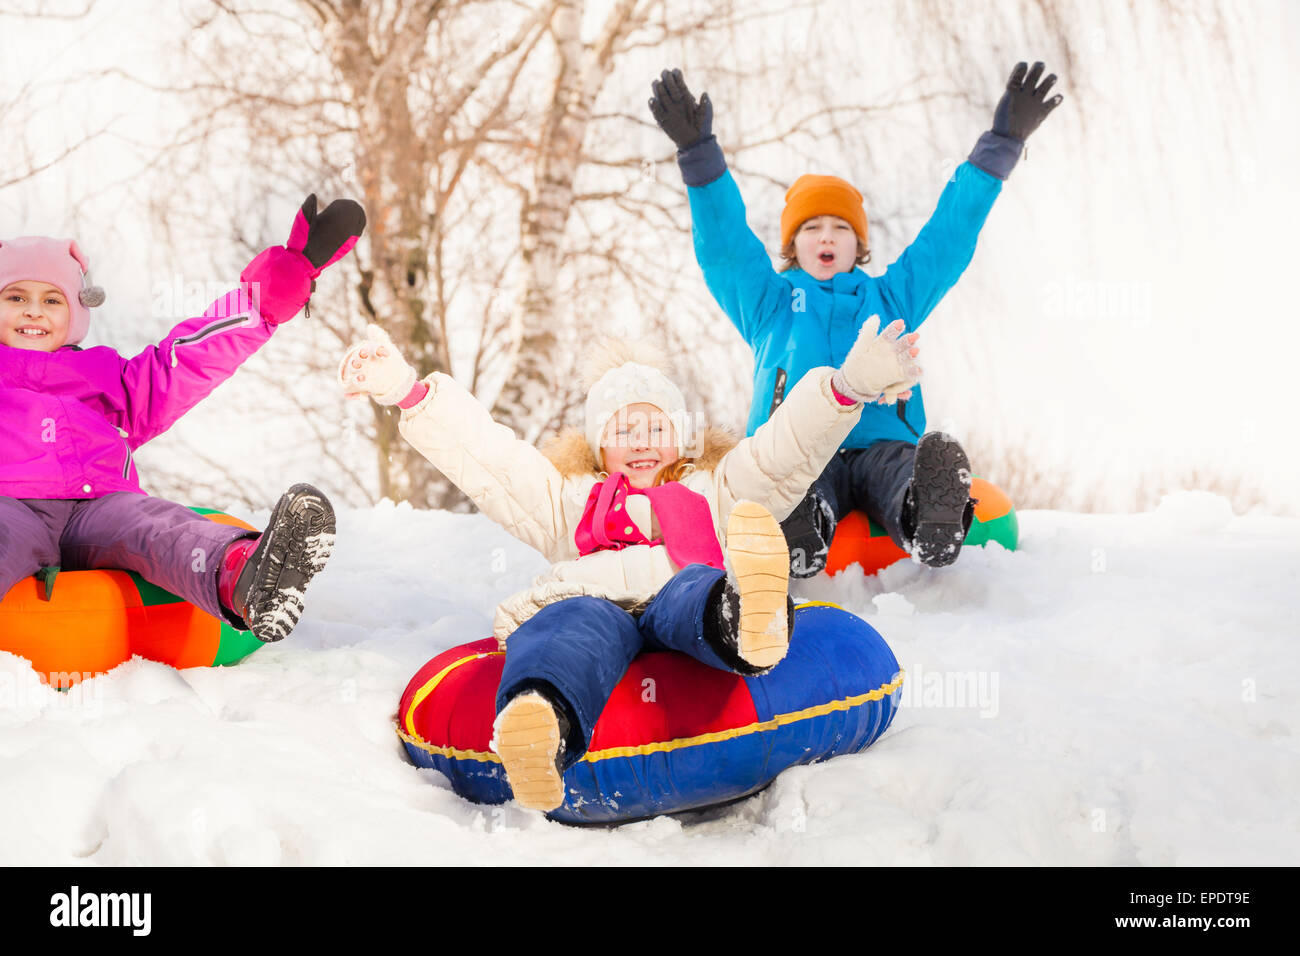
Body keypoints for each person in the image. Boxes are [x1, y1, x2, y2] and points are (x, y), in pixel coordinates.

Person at [339, 316, 918, 810]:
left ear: (680, 438)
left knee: (698, 591)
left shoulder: (714, 487)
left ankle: (748, 621)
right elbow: (492, 461)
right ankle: (540, 722)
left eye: (657, 427)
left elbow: (781, 452)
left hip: (681, 595)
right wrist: (409, 393)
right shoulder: (568, 502)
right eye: (624, 429)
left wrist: (846, 387)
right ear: (598, 446)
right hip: (594, 603)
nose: (642, 441)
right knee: (565, 627)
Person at [649, 62, 1062, 572]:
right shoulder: (768, 304)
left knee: (903, 472)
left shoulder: (893, 297)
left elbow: (946, 240)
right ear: (793, 245)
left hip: (882, 443)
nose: (826, 237)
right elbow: (727, 250)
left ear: (858, 244)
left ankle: (926, 515)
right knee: (794, 480)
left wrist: (1000, 145)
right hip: (798, 445)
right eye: (812, 227)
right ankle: (798, 528)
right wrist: (699, 158)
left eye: (840, 228)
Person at [0, 194, 365, 642]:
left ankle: (249, 578)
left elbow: (186, 362)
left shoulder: (105, 374)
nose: (34, 310)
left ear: (76, 312)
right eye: (16, 296)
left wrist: (267, 295)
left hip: (101, 505)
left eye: (51, 300)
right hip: (9, 505)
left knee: (160, 528)